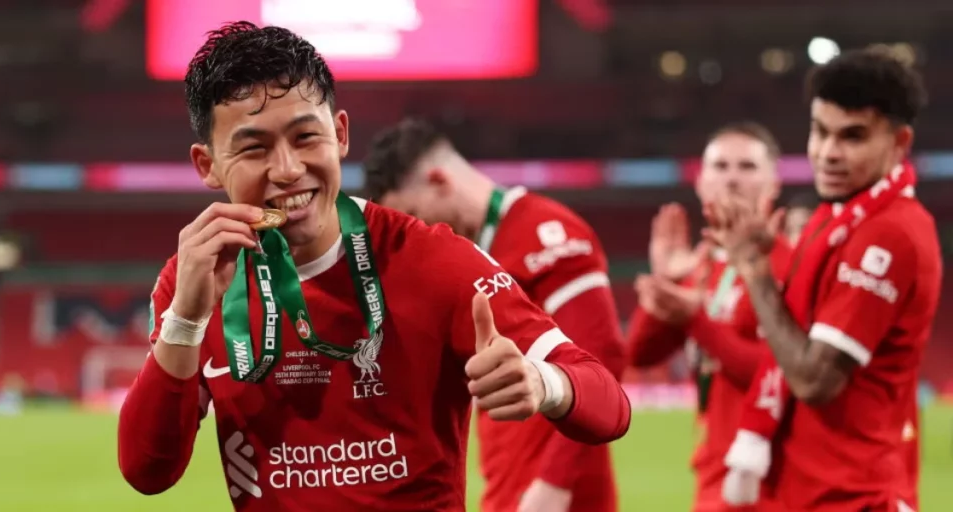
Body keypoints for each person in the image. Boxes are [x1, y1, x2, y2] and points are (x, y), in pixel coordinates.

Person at [116, 22, 631, 512]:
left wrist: (544, 383)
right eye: (254, 148)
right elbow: (148, 470)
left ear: (340, 135)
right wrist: (184, 320)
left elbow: (608, 402)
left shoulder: (432, 259)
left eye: (305, 137)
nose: (289, 170)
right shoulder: (197, 278)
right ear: (208, 166)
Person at [363, 118, 627, 512]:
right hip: (508, 485)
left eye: (414, 215)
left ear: (439, 180)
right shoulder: (465, 259)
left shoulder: (548, 233)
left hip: (554, 496)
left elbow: (602, 353)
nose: (415, 234)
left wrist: (553, 486)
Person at [716, 49, 940, 512]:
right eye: (820, 131)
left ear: (900, 142)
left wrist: (755, 271)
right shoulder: (834, 213)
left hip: (855, 495)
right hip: (810, 488)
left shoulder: (889, 234)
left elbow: (815, 380)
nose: (828, 153)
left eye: (852, 136)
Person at [626, 121, 791, 512]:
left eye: (747, 167)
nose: (731, 179)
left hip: (772, 483)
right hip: (712, 475)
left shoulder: (787, 263)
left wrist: (696, 319)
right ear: (701, 183)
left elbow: (783, 377)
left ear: (774, 183)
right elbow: (639, 353)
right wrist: (667, 278)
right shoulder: (703, 265)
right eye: (720, 166)